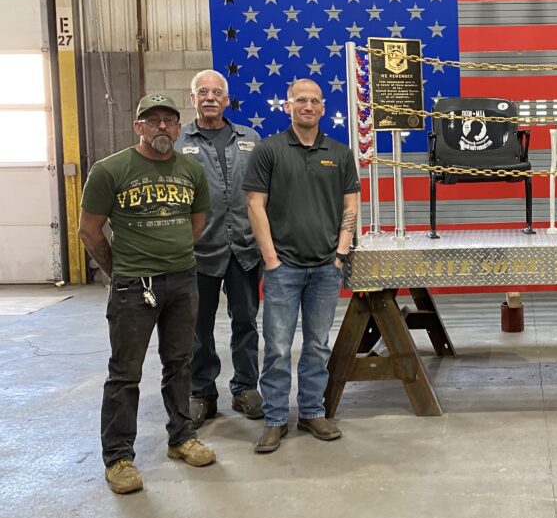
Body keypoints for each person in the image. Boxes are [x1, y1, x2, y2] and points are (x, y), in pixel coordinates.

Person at [79, 93, 216, 494]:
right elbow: (90, 231)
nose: (161, 127)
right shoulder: (110, 170)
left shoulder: (191, 170)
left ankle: (181, 438)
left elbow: (196, 224)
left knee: (180, 362)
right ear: (138, 126)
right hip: (133, 286)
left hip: (182, 280)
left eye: (168, 120)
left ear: (178, 127)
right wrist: (121, 269)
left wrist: (171, 259)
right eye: (152, 120)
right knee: (125, 373)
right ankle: (118, 457)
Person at [243, 78, 360, 454]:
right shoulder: (268, 150)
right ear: (288, 106)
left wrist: (340, 254)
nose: (307, 106)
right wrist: (272, 260)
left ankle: (312, 412)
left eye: (314, 100)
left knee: (317, 346)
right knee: (276, 347)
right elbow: (255, 205)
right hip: (284, 270)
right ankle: (275, 420)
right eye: (300, 100)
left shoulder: (340, 153)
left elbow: (351, 207)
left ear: (323, 108)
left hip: (327, 268)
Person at [175, 70, 263, 428]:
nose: (210, 98)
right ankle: (201, 392)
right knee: (198, 325)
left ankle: (245, 388)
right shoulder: (180, 143)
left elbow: (264, 191)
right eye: (203, 92)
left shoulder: (250, 139)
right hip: (199, 250)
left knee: (246, 321)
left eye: (217, 92)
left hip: (244, 247)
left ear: (227, 100)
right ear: (193, 98)